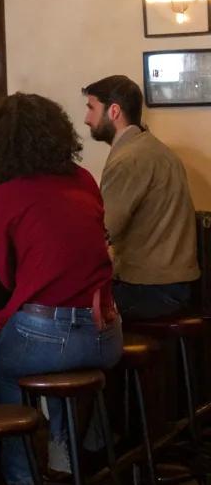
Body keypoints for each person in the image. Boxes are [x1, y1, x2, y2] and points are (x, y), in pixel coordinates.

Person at [0, 92, 122, 485]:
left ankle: (22, 483)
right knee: (59, 364)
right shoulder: (84, 179)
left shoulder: (3, 195)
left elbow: (7, 277)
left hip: (48, 337)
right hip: (106, 334)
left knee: (8, 366)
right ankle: (65, 458)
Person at [82, 74, 198, 320]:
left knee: (69, 311)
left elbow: (101, 231)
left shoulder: (130, 159)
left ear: (114, 111)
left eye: (91, 108)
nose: (86, 119)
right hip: (176, 286)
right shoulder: (154, 148)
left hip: (153, 291)